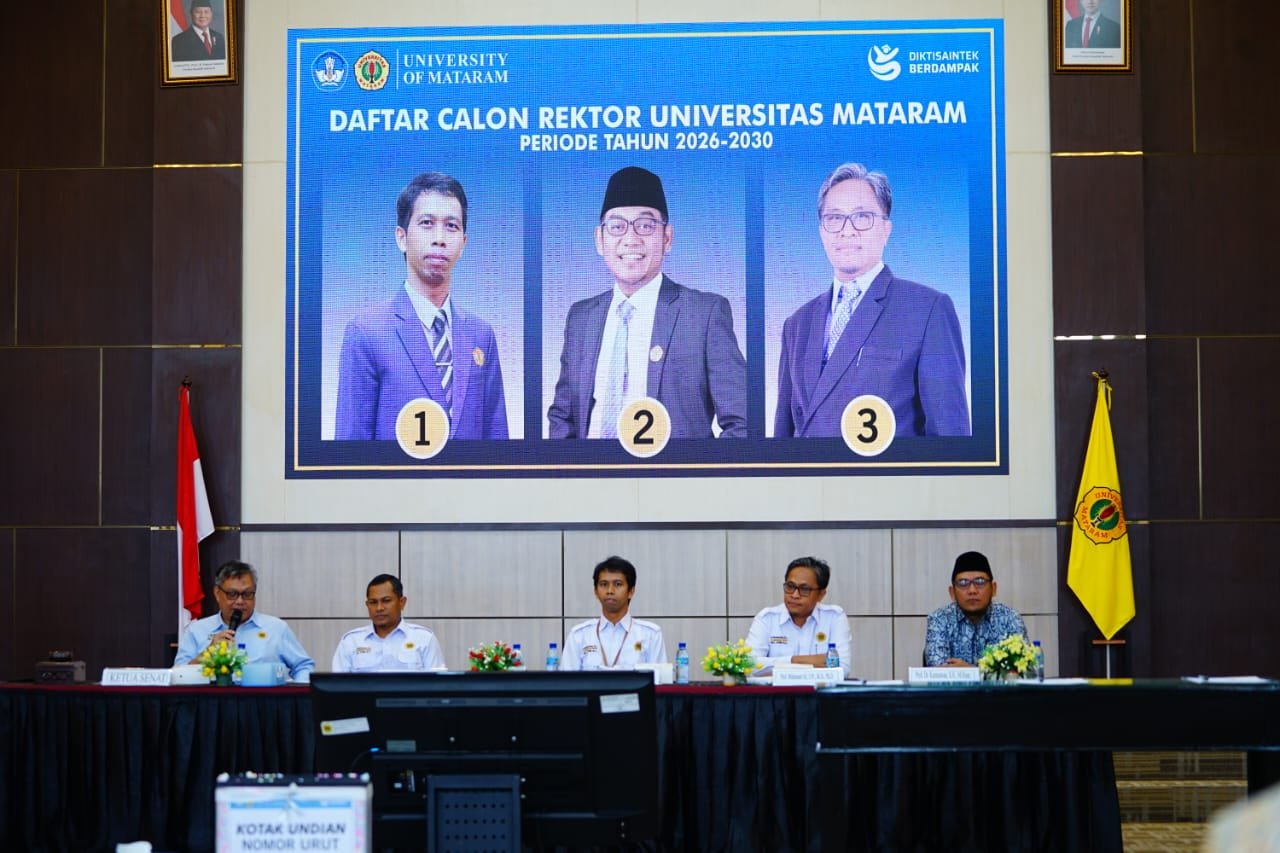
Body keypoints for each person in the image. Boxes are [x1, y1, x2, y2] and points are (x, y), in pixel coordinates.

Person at [548, 166, 747, 439]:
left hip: (676, 467)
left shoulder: (704, 314)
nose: (630, 240)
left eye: (645, 226)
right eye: (617, 227)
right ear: (599, 240)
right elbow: (563, 416)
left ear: (667, 238)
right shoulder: (581, 317)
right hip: (591, 466)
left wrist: (702, 467)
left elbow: (743, 423)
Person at [774, 162, 970, 438]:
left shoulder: (927, 310)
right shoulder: (797, 324)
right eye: (834, 218)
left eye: (862, 217)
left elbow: (950, 439)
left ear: (886, 229)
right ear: (821, 231)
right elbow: (783, 439)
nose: (847, 230)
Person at [335, 172, 508, 440]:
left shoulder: (481, 335)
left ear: (463, 243)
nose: (440, 238)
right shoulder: (367, 333)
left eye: (451, 226)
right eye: (427, 223)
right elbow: (350, 446)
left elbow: (498, 441)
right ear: (401, 237)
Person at [174, 560, 315, 681]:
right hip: (214, 702)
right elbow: (178, 676)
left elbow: (303, 666)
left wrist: (296, 694)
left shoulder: (276, 628)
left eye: (247, 594)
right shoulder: (197, 630)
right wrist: (208, 653)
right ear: (217, 593)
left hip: (264, 701)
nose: (240, 601)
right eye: (232, 594)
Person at [745, 556, 852, 677]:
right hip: (777, 690)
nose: (795, 595)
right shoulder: (767, 619)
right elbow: (748, 665)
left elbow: (843, 669)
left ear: (821, 595)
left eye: (804, 589)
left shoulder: (834, 618)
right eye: (790, 586)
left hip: (818, 689)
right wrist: (794, 660)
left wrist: (778, 666)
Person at [560, 556, 668, 670]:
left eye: (618, 584)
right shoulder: (579, 636)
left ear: (631, 591)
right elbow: (566, 680)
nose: (610, 591)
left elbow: (660, 679)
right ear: (596, 592)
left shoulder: (650, 635)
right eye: (604, 584)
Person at [923, 551, 1029, 666]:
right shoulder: (940, 619)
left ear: (993, 589)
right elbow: (938, 668)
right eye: (963, 583)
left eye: (980, 582)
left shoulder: (1010, 619)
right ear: (952, 592)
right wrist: (986, 672)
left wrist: (971, 670)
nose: (972, 590)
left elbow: (1025, 668)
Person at [332, 574, 446, 672]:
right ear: (367, 605)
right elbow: (337, 686)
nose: (379, 608)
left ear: (402, 602)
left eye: (386, 601)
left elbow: (437, 685)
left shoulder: (424, 639)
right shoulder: (351, 642)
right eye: (373, 602)